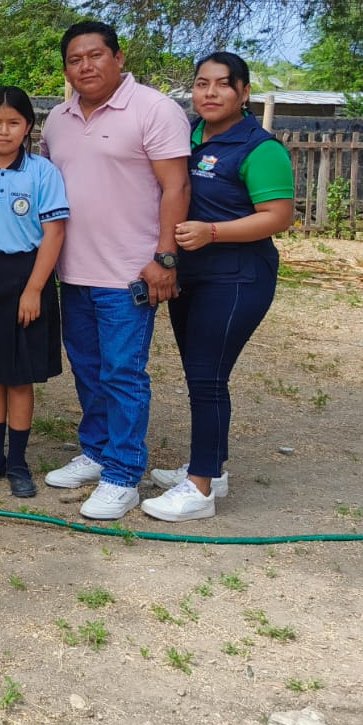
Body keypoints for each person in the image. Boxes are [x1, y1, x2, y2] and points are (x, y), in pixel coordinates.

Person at [40, 20, 191, 520]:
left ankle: (123, 475)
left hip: (130, 274)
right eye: (74, 59)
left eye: (95, 55)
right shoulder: (57, 119)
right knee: (87, 368)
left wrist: (165, 257)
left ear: (118, 58)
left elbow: (176, 187)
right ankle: (98, 450)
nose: (85, 66)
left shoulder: (154, 109)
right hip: (72, 271)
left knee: (123, 373)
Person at [142, 52, 294, 522]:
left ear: (244, 92)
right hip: (190, 275)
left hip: (237, 278)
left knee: (208, 378)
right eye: (201, 83)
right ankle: (212, 467)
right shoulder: (186, 135)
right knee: (201, 375)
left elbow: (279, 217)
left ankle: (200, 488)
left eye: (223, 84)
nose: (210, 93)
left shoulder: (259, 148)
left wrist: (213, 232)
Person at [0, 87, 69, 499]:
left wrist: (35, 289)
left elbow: (54, 233)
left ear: (29, 128)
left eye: (13, 123)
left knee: (20, 376)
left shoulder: (43, 172)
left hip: (28, 275)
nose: (3, 131)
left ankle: (18, 461)